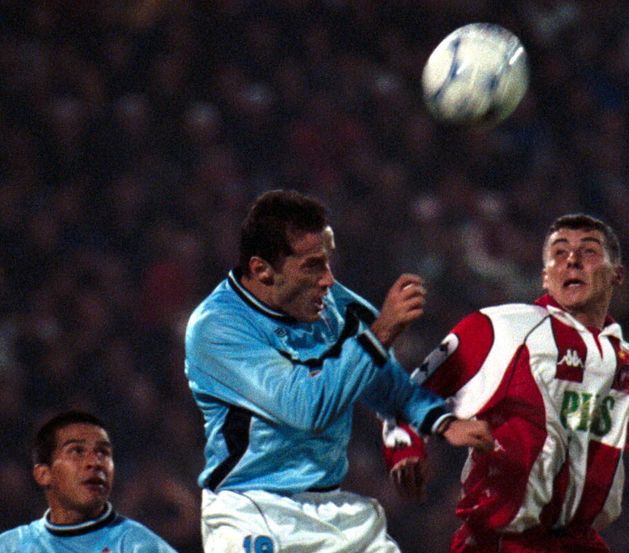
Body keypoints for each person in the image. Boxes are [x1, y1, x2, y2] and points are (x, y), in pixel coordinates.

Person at [383, 213, 629, 553]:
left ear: (617, 275)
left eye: (588, 252)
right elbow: (406, 393)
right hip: (499, 543)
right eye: (559, 253)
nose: (572, 260)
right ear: (545, 275)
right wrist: (406, 451)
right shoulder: (500, 328)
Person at [184, 189, 493, 553]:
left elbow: (386, 384)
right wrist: (381, 333)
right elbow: (306, 409)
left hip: (334, 511)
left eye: (327, 262)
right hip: (254, 509)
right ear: (262, 270)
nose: (328, 280)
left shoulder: (334, 308)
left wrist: (440, 422)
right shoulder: (218, 327)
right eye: (312, 266)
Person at [0, 410, 178, 553]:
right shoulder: (11, 546)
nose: (95, 462)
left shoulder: (137, 546)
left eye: (103, 452)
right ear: (43, 474)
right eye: (77, 451)